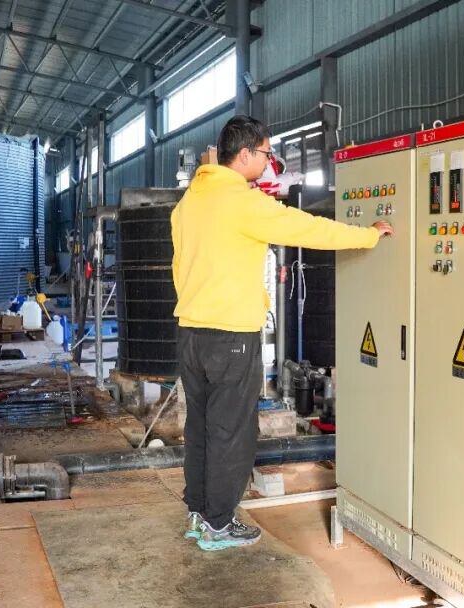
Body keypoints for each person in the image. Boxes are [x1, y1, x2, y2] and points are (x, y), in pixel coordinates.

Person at [171, 115, 394, 551]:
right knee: (231, 433)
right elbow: (306, 228)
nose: (269, 161)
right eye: (266, 153)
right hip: (231, 336)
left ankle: (199, 513)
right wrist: (367, 236)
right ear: (245, 154)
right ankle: (219, 524)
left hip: (191, 333)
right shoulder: (242, 202)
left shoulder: (190, 202)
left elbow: (181, 266)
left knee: (200, 428)